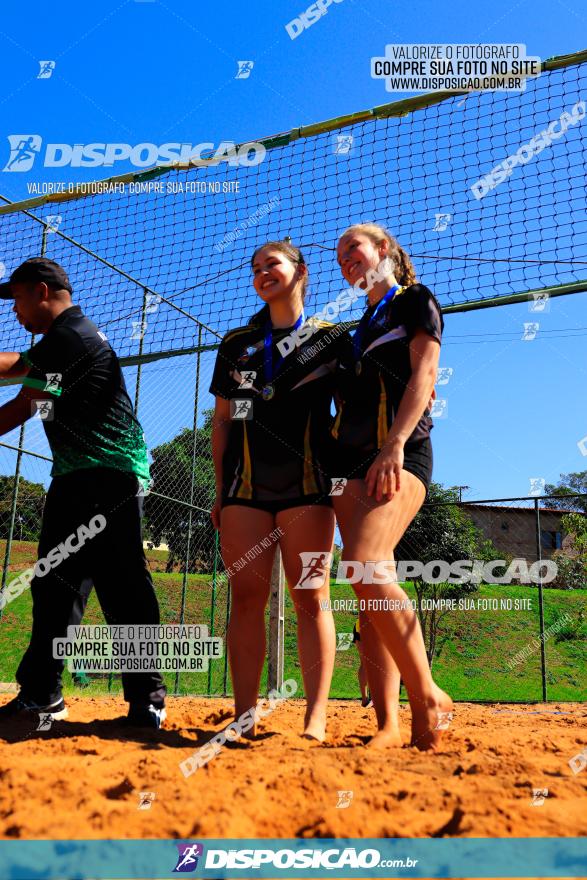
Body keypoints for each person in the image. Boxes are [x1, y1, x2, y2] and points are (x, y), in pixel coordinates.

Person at [0, 257, 166, 728]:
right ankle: (41, 696)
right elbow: (22, 375)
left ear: (40, 291)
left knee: (124, 589)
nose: (13, 311)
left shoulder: (69, 338)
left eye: (14, 299)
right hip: (74, 475)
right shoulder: (59, 342)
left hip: (111, 475)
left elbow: (20, 404)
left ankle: (147, 701)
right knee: (54, 587)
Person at [210, 240, 343, 741]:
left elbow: (355, 410)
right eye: (256, 267)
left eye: (274, 264)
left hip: (309, 490)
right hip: (245, 489)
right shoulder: (238, 343)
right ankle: (243, 714)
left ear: (300, 272)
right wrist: (221, 492)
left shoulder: (330, 339)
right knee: (245, 598)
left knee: (311, 596)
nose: (263, 272)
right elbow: (224, 421)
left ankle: (316, 717)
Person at [331, 223, 452, 750]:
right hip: (349, 466)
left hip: (400, 453)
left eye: (352, 249)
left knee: (362, 562)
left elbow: (425, 377)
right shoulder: (358, 327)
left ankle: (427, 694)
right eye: (339, 256)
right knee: (367, 584)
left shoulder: (415, 301)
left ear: (383, 250)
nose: (345, 260)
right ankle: (390, 724)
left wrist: (394, 444)